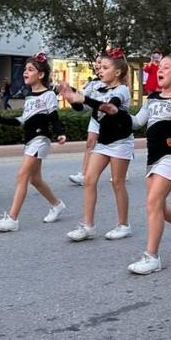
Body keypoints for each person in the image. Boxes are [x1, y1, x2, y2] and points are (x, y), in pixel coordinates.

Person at [125, 53, 171, 275]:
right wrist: (111, 111)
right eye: (160, 67)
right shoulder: (153, 99)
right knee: (159, 207)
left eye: (166, 67)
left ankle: (152, 257)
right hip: (153, 159)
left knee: (153, 204)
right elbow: (136, 122)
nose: (161, 70)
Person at [59, 49, 134, 241]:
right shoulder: (96, 87)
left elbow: (110, 108)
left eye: (105, 68)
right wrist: (70, 95)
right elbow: (81, 107)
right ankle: (88, 225)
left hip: (121, 141)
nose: (100, 70)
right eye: (99, 67)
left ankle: (123, 225)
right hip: (103, 142)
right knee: (89, 180)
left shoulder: (122, 90)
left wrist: (83, 98)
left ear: (117, 72)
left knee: (117, 183)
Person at [0, 53, 67, 232]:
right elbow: (22, 120)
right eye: (25, 69)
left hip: (41, 139)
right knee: (35, 179)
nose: (25, 72)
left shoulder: (48, 95)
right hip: (30, 141)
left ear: (41, 75)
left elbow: (54, 118)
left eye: (30, 69)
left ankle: (12, 218)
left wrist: (60, 133)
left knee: (22, 175)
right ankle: (57, 205)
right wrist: (1, 119)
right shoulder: (29, 98)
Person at [68, 56, 103, 186]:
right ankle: (84, 174)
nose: (98, 66)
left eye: (102, 63)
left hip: (114, 122)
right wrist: (72, 97)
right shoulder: (92, 84)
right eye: (97, 63)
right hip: (96, 119)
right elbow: (82, 106)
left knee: (111, 149)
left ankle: (121, 167)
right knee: (90, 143)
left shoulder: (118, 86)